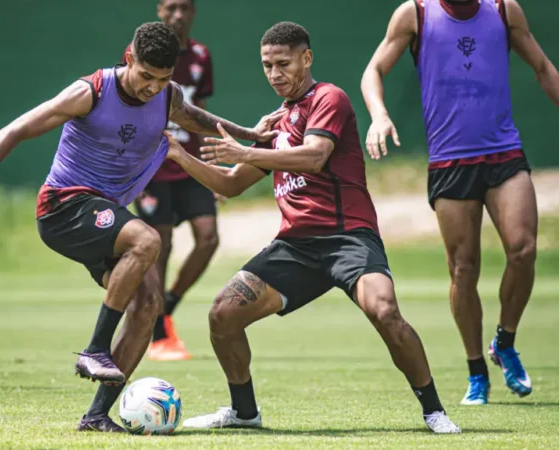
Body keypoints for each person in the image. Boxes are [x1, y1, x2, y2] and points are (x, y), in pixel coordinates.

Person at [0, 22, 276, 432]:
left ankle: (97, 415)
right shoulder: (90, 92)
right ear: (129, 58)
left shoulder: (167, 96)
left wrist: (250, 135)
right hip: (63, 206)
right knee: (147, 239)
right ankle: (95, 348)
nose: (152, 87)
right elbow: (14, 131)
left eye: (163, 79)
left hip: (102, 213)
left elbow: (194, 117)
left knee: (147, 307)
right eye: (146, 76)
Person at [171, 22, 461, 433]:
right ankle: (244, 413)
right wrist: (179, 155)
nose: (275, 74)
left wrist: (245, 149)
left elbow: (314, 156)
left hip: (348, 238)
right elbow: (231, 184)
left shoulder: (329, 98)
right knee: (222, 314)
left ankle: (433, 410)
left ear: (306, 59)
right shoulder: (275, 122)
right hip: (296, 247)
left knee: (385, 311)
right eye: (267, 65)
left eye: (283, 63)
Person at [361, 0, 559, 404]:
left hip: (504, 153)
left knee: (523, 250)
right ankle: (476, 372)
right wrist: (379, 115)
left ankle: (505, 341)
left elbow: (542, 67)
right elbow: (373, 71)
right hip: (451, 162)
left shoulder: (505, 11)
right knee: (463, 269)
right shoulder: (415, 14)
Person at [122, 0, 217, 362]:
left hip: (188, 162)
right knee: (159, 245)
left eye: (185, 8)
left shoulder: (200, 56)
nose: (178, 15)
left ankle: (168, 306)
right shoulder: (139, 52)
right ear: (159, 10)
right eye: (171, 7)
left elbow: (202, 112)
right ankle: (159, 333)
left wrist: (210, 165)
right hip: (153, 166)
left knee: (208, 238)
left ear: (193, 12)